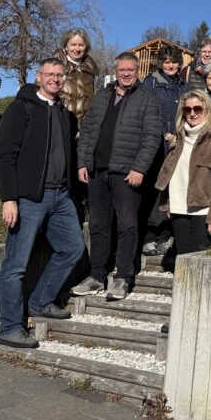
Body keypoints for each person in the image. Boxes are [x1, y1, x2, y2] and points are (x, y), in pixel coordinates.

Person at [0, 58, 83, 349]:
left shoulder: (66, 115)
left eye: (60, 75)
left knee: (72, 248)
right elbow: (4, 155)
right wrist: (9, 198)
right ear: (38, 76)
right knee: (16, 266)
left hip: (60, 197)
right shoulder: (22, 108)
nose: (55, 79)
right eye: (50, 74)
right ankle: (9, 328)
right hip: (29, 197)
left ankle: (41, 302)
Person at [74, 52, 162, 301]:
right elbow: (89, 130)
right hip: (97, 172)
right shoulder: (104, 96)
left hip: (126, 174)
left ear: (137, 72)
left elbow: (151, 138)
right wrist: (83, 162)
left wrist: (139, 168)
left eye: (130, 70)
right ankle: (96, 275)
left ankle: (124, 277)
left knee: (127, 226)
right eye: (122, 69)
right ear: (116, 70)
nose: (126, 73)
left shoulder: (147, 99)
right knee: (99, 226)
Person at [155, 90, 211, 257]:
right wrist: (168, 202)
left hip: (204, 208)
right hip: (179, 205)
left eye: (197, 109)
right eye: (187, 109)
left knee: (200, 257)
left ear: (207, 109)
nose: (192, 113)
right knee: (183, 256)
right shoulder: (180, 135)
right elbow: (173, 171)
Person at [139, 47, 186, 257]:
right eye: (166, 62)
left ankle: (165, 235)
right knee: (154, 190)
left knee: (171, 191)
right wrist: (164, 133)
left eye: (174, 62)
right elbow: (147, 112)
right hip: (157, 145)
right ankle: (150, 236)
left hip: (178, 146)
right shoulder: (151, 83)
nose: (170, 65)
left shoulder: (183, 86)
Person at [55, 28, 97, 125]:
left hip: (84, 127)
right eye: (73, 44)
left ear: (86, 47)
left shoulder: (90, 71)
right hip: (61, 123)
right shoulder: (56, 66)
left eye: (81, 45)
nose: (77, 49)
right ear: (66, 46)